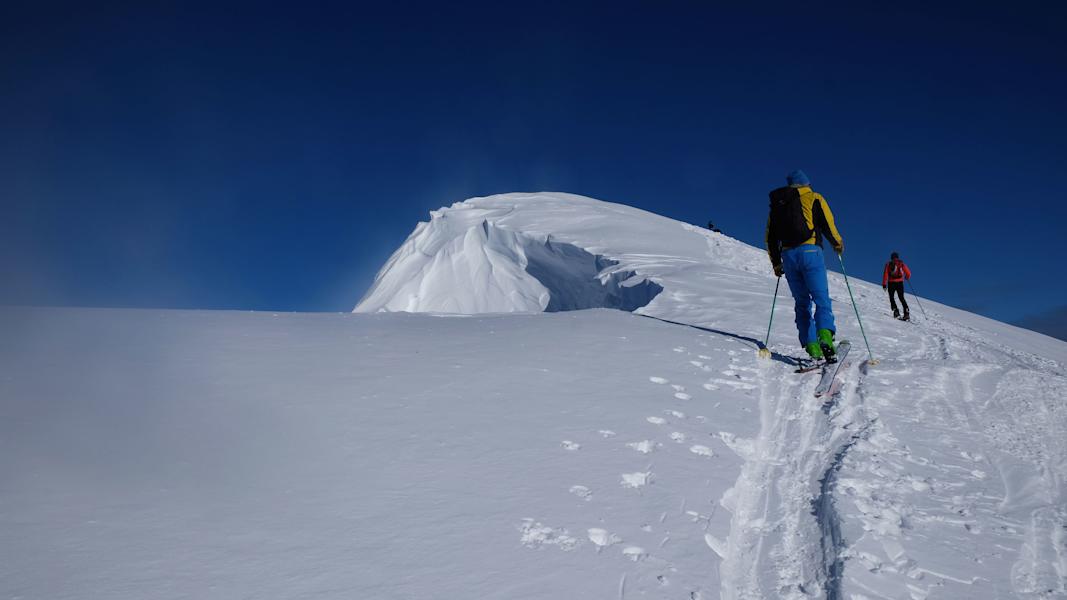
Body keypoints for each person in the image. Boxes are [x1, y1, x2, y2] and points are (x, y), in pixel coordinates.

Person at [765, 169, 845, 360]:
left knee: (802, 303)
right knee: (821, 298)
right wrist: (837, 243)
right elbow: (828, 222)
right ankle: (825, 335)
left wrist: (776, 263)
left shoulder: (778, 205)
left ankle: (811, 345)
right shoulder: (814, 197)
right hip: (810, 252)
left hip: (788, 256)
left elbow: (770, 237)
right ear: (806, 183)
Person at [882, 252, 912, 320]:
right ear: (897, 257)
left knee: (891, 297)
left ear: (891, 257)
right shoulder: (901, 263)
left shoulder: (888, 264)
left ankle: (896, 311)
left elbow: (885, 274)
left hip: (891, 283)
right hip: (900, 283)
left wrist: (884, 284)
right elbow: (908, 273)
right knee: (901, 298)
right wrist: (907, 277)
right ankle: (906, 312)